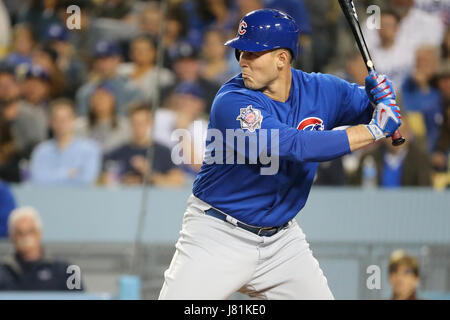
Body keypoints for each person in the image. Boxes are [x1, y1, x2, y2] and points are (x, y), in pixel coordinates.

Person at [158, 9, 402, 300]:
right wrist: (374, 130)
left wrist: (380, 94)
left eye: (252, 53)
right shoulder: (232, 101)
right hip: (217, 233)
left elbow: (377, 107)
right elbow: (294, 146)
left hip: (282, 241)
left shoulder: (321, 89)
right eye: (240, 52)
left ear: (282, 59)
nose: (242, 61)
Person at [0, 206, 84, 291]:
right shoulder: (2, 272)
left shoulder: (67, 270)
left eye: (31, 231)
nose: (25, 237)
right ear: (11, 236)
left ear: (39, 233)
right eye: (19, 232)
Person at [102, 103, 184, 187]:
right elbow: (105, 181)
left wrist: (149, 173)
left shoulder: (162, 152)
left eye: (141, 123)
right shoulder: (119, 152)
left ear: (149, 123)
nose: (138, 127)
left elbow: (177, 182)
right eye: (134, 123)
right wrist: (123, 181)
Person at [29, 98, 101, 185]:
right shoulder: (41, 150)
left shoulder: (90, 149)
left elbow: (87, 180)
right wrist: (68, 173)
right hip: (47, 197)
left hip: (80, 198)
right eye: (57, 119)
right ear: (50, 122)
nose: (61, 123)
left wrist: (51, 176)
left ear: (74, 119)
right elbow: (36, 179)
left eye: (66, 119)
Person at [75, 81, 130, 153]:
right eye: (96, 97)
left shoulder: (125, 126)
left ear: (113, 100)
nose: (100, 100)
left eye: (104, 96)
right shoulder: (78, 126)